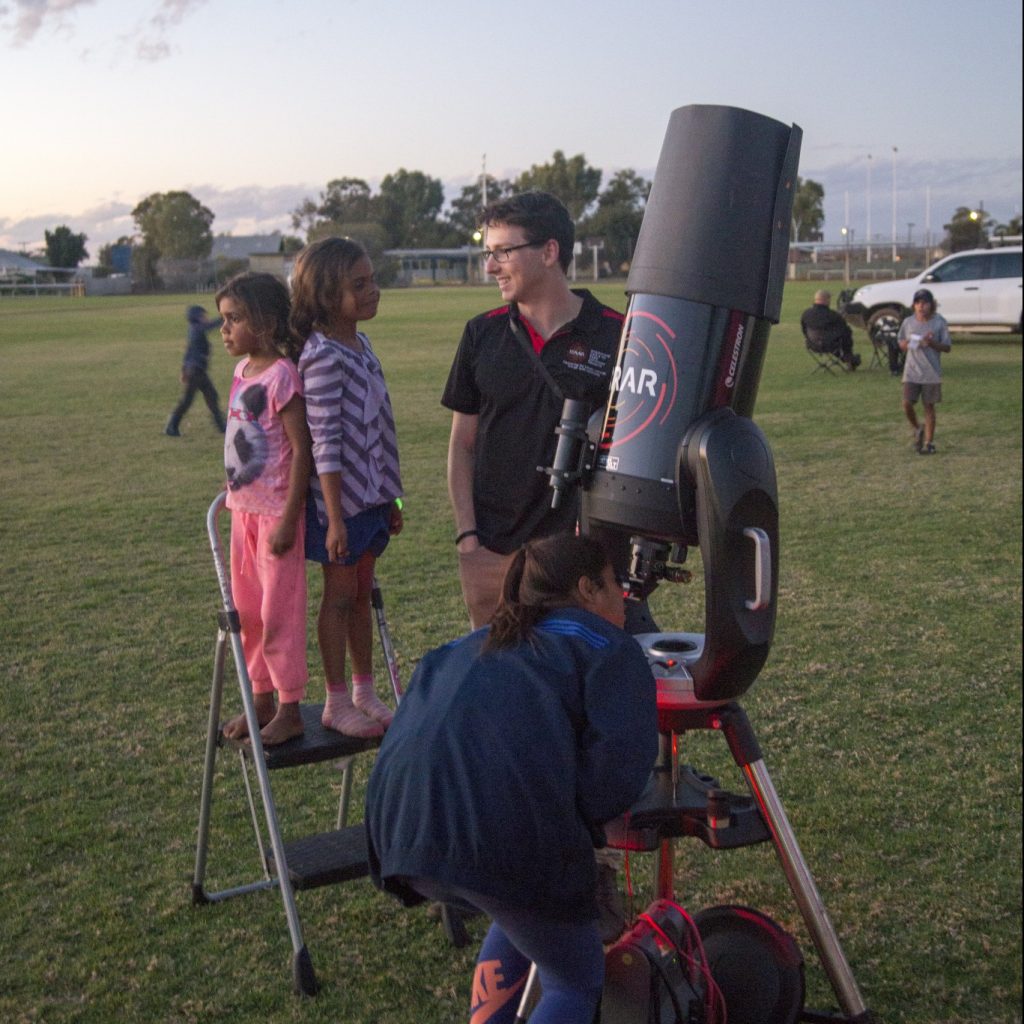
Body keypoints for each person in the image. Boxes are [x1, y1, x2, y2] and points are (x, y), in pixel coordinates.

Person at [365, 535, 658, 1024]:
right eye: (614, 586)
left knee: (516, 906)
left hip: (401, 828)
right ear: (587, 589)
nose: (623, 601)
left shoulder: (471, 642)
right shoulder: (607, 647)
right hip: (499, 830)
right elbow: (614, 774)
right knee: (575, 978)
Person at [443, 190, 625, 630]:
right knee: (500, 684)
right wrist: (469, 539)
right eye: (489, 252)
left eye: (503, 251)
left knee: (577, 677)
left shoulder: (617, 335)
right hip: (490, 550)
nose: (490, 266)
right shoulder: (481, 334)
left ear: (549, 251)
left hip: (579, 558)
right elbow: (462, 446)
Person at [291, 238, 404, 739]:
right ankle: (336, 701)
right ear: (324, 294)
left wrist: (392, 498)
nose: (373, 291)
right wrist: (335, 518)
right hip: (341, 507)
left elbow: (380, 429)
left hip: (372, 500)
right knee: (338, 596)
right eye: (359, 285)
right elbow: (325, 444)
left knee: (362, 592)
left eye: (372, 280)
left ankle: (365, 690)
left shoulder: (362, 344)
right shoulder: (321, 357)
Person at [218, 273, 312, 746]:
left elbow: (302, 450)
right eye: (223, 320)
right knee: (249, 611)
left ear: (267, 321)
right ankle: (260, 696)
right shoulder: (241, 373)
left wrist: (290, 517)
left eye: (235, 319)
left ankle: (290, 704)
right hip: (243, 514)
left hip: (277, 518)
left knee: (280, 612)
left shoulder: (282, 376)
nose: (225, 329)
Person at [898, 288, 952, 455]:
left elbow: (947, 347)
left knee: (929, 406)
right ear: (914, 305)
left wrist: (932, 343)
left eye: (925, 303)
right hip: (912, 371)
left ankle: (929, 442)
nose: (921, 306)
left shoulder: (939, 322)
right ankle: (917, 427)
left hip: (931, 372)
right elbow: (901, 343)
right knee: (907, 403)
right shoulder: (908, 322)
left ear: (931, 305)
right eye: (918, 303)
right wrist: (907, 343)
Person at [165, 305, 227, 436]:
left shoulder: (193, 329)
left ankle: (221, 426)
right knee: (191, 400)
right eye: (203, 315)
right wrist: (224, 318)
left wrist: (183, 370)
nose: (205, 317)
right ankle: (171, 426)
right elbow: (209, 326)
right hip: (196, 371)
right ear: (196, 317)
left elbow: (188, 352)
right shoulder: (197, 329)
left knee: (210, 396)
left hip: (195, 370)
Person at [800, 289, 861, 370]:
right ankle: (849, 358)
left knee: (834, 338)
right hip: (830, 345)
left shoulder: (806, 314)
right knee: (846, 333)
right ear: (826, 300)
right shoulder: (833, 315)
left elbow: (804, 330)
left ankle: (848, 358)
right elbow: (843, 330)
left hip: (812, 345)